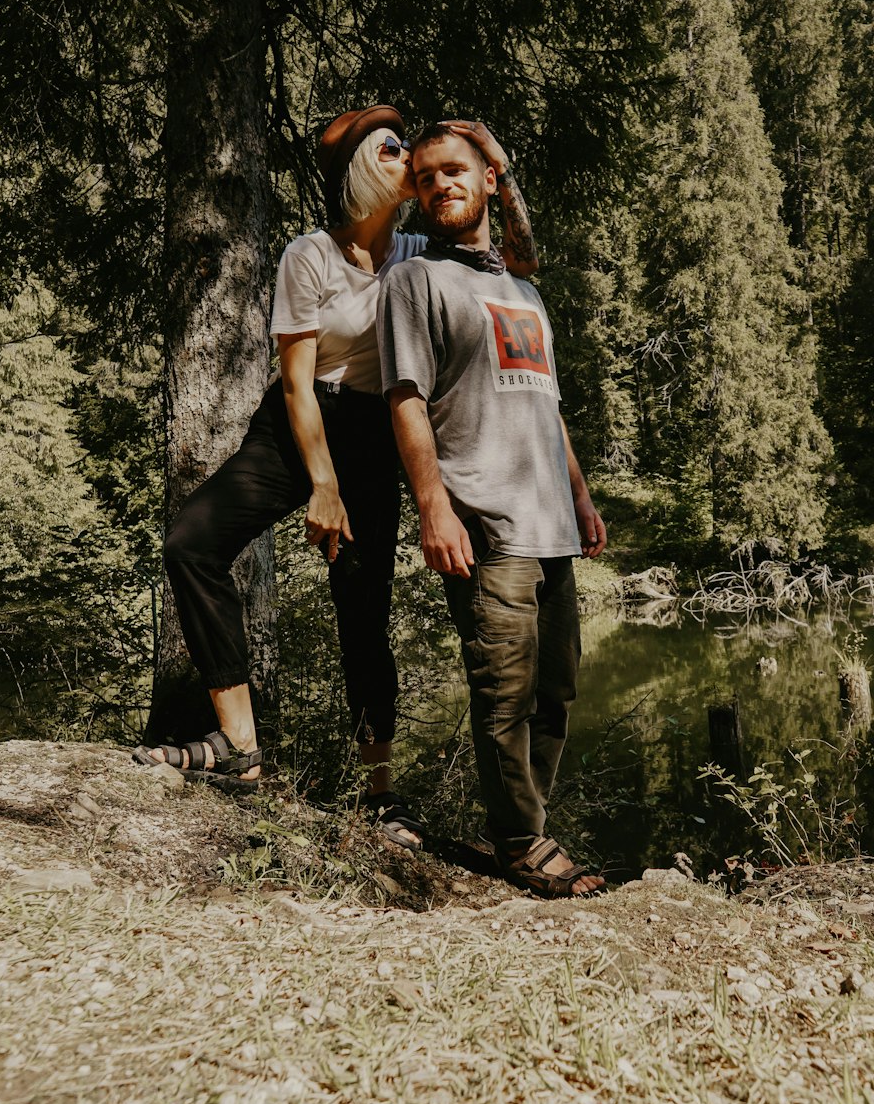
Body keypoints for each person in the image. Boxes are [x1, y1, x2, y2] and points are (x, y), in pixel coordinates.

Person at [135, 106, 538, 851]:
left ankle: (383, 796)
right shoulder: (310, 255)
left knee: (363, 609)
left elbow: (513, 265)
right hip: (296, 429)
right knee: (190, 542)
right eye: (393, 149)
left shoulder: (421, 251)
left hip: (372, 438)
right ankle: (239, 745)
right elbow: (294, 385)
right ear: (360, 170)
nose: (409, 158)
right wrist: (321, 486)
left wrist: (497, 167)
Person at [377, 123, 608, 896]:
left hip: (551, 524)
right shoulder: (416, 283)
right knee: (503, 693)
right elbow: (406, 400)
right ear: (418, 193)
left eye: (458, 172)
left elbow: (547, 405)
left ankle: (520, 825)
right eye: (429, 176)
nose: (443, 183)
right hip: (485, 519)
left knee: (557, 692)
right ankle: (520, 843)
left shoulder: (523, 290)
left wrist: (580, 495)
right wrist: (433, 509)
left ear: (485, 181)